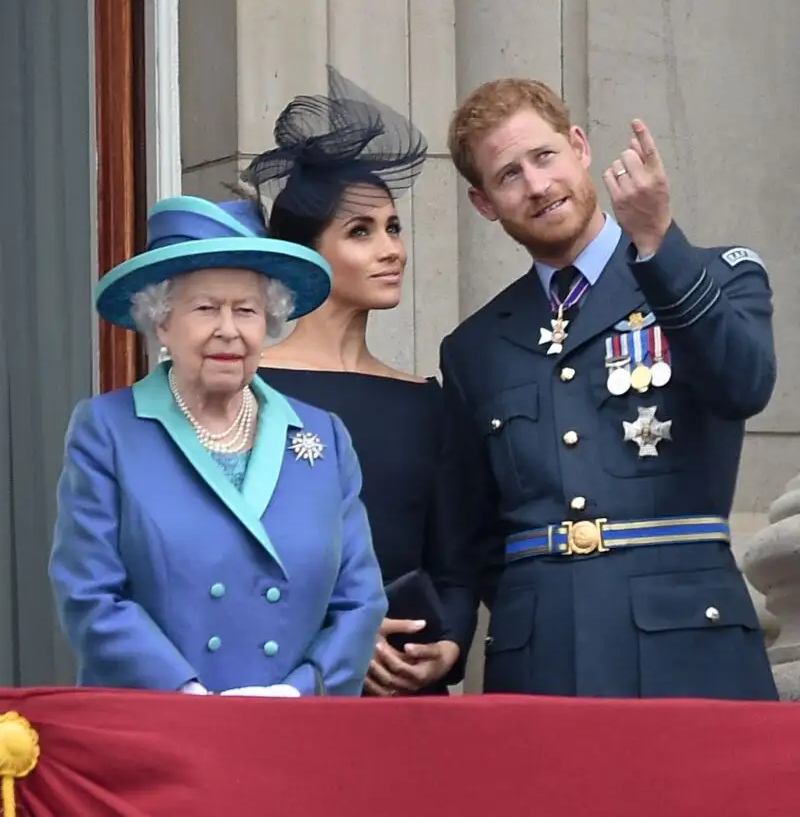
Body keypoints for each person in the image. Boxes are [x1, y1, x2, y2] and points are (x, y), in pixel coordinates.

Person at [439, 77, 779, 699]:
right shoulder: (474, 347)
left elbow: (744, 386)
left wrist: (658, 245)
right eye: (508, 175)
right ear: (484, 203)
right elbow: (476, 531)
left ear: (578, 147)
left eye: (544, 157)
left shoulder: (712, 275)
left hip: (688, 650)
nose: (538, 185)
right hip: (542, 658)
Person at [49, 194, 388, 697]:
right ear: (162, 321)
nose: (228, 330)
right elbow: (91, 594)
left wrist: (298, 692)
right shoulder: (108, 430)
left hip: (295, 728)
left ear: (268, 322)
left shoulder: (324, 438)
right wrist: (186, 694)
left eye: (246, 310)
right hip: (163, 727)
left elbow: (360, 601)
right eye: (206, 308)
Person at [240, 65, 470, 696]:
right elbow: (220, 564)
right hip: (284, 694)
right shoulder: (245, 391)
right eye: (361, 232)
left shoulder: (428, 402)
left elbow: (455, 566)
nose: (391, 248)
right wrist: (340, 639)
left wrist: (448, 646)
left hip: (410, 705)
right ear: (306, 255)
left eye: (393, 228)